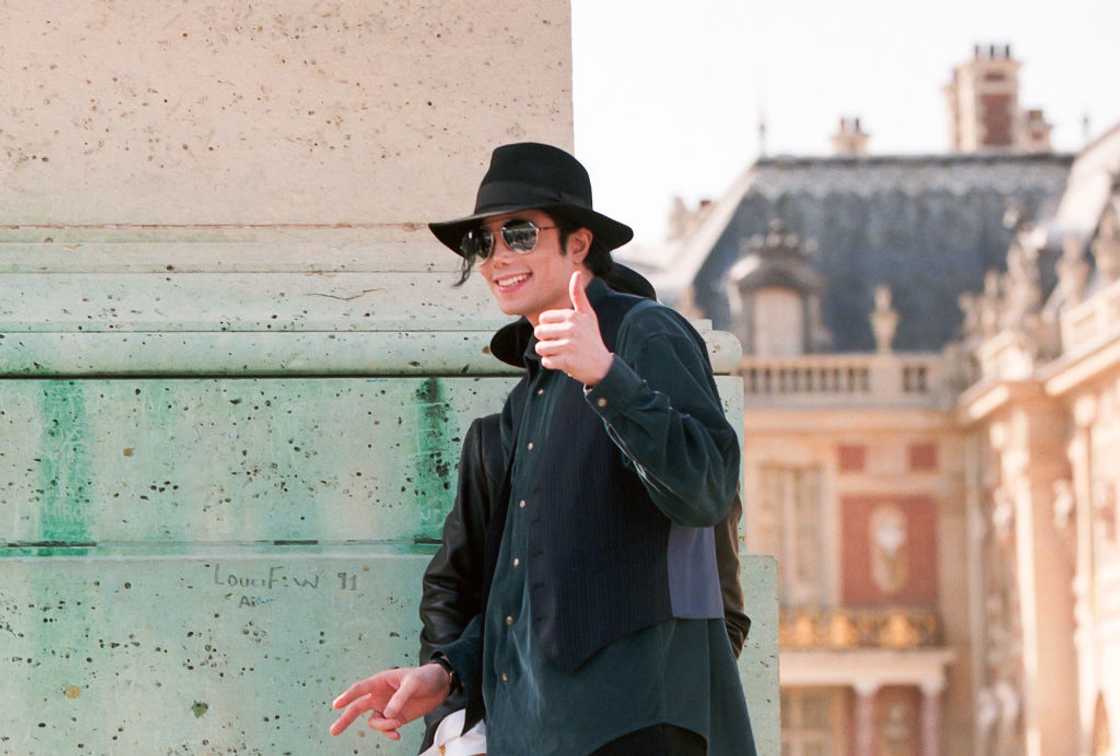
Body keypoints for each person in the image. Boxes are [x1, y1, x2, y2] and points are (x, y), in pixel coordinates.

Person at [330, 142, 756, 755]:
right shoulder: (532, 395)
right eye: (484, 242)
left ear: (578, 244)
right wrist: (446, 674)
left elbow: (707, 488)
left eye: (520, 233)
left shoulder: (644, 331)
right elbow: (527, 589)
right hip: (546, 732)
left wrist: (607, 377)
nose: (497, 257)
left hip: (635, 726)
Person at [415, 264, 751, 754]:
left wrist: (648, 696)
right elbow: (477, 596)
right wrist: (457, 717)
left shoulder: (672, 436)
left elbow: (723, 609)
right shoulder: (501, 440)